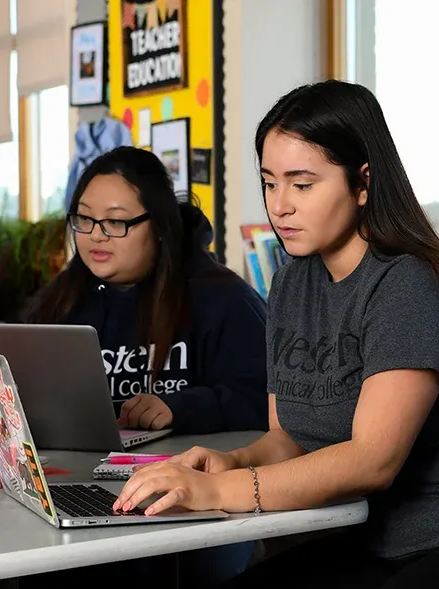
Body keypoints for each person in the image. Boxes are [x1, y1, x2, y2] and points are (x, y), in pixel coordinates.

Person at [113, 81, 439, 589]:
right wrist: (234, 462)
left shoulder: (409, 281)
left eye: (303, 184)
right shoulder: (292, 280)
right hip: (383, 546)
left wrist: (216, 492)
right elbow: (289, 437)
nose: (280, 205)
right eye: (270, 182)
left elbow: (371, 461)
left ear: (362, 182)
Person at [27, 146, 268, 435]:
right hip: (80, 470)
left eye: (115, 221)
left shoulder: (222, 299)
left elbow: (264, 401)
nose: (95, 235)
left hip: (189, 470)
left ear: (159, 226)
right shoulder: (62, 300)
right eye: (85, 219)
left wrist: (178, 408)